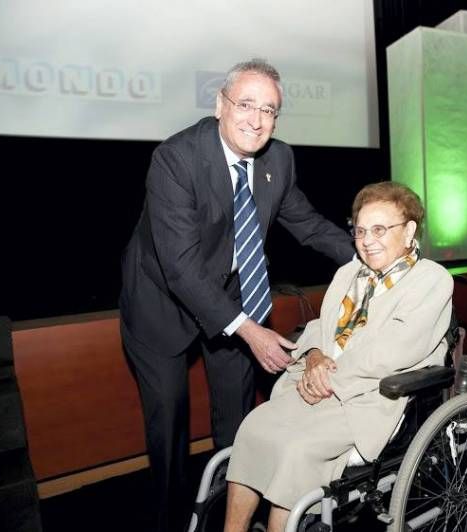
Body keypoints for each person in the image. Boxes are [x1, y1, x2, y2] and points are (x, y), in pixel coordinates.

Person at [118, 58, 354, 532]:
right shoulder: (175, 158)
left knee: (237, 419)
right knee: (169, 425)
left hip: (230, 293)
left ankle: (229, 513)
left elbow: (306, 224)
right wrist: (249, 331)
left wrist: (369, 255)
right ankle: (168, 519)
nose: (257, 120)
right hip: (161, 302)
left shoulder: (279, 159)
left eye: (269, 110)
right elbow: (181, 269)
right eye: (246, 104)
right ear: (220, 105)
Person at [223, 181, 454, 532]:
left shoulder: (431, 280)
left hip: (373, 399)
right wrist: (314, 355)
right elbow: (321, 326)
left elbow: (394, 351)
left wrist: (328, 376)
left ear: (408, 231)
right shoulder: (348, 273)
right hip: (319, 385)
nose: (367, 240)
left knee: (295, 449)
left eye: (380, 229)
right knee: (253, 428)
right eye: (360, 230)